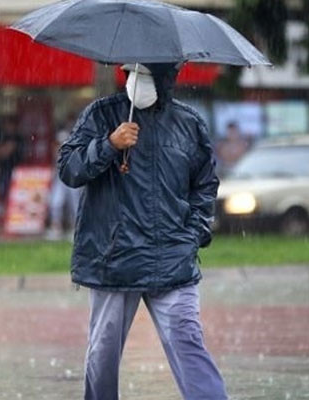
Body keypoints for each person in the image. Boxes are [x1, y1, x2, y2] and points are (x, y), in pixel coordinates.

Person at [58, 62, 226, 400]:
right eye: (130, 72)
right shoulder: (101, 115)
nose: (137, 81)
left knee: (187, 340)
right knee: (102, 352)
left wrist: (192, 235)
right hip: (114, 258)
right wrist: (108, 144)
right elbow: (69, 169)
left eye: (146, 74)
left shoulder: (188, 124)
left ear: (166, 78)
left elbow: (204, 185)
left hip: (173, 260)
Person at [46, 117, 81, 241]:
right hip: (60, 179)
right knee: (56, 202)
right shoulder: (56, 152)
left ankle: (76, 230)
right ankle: (56, 228)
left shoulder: (75, 149)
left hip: (73, 178)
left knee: (75, 205)